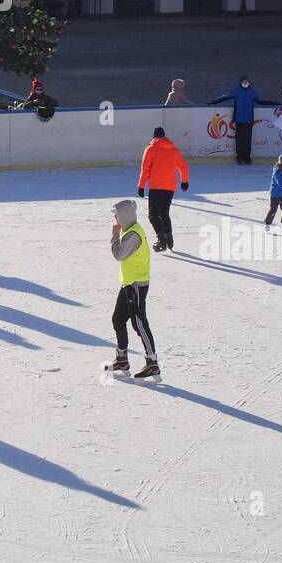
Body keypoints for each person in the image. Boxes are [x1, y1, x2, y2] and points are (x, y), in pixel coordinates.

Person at [108, 199, 160, 381]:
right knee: (118, 319)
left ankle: (152, 363)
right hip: (129, 283)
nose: (114, 217)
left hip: (137, 285)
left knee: (139, 323)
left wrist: (114, 237)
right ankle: (122, 358)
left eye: (116, 214)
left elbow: (119, 254)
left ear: (124, 216)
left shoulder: (133, 235)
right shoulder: (129, 230)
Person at [136, 126, 189, 252]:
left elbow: (145, 169)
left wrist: (141, 186)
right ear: (164, 137)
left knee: (153, 215)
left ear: (154, 137)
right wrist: (184, 181)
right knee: (164, 214)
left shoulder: (151, 149)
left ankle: (162, 240)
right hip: (170, 188)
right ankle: (169, 240)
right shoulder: (174, 150)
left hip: (156, 187)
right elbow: (183, 167)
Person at [208, 76, 276, 164]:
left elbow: (261, 101)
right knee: (239, 139)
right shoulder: (237, 91)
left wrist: (274, 103)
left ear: (249, 82)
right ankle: (239, 157)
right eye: (243, 81)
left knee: (248, 140)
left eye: (246, 81)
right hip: (239, 119)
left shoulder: (252, 92)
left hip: (248, 120)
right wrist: (213, 102)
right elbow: (225, 97)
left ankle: (247, 157)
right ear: (240, 82)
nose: (245, 82)